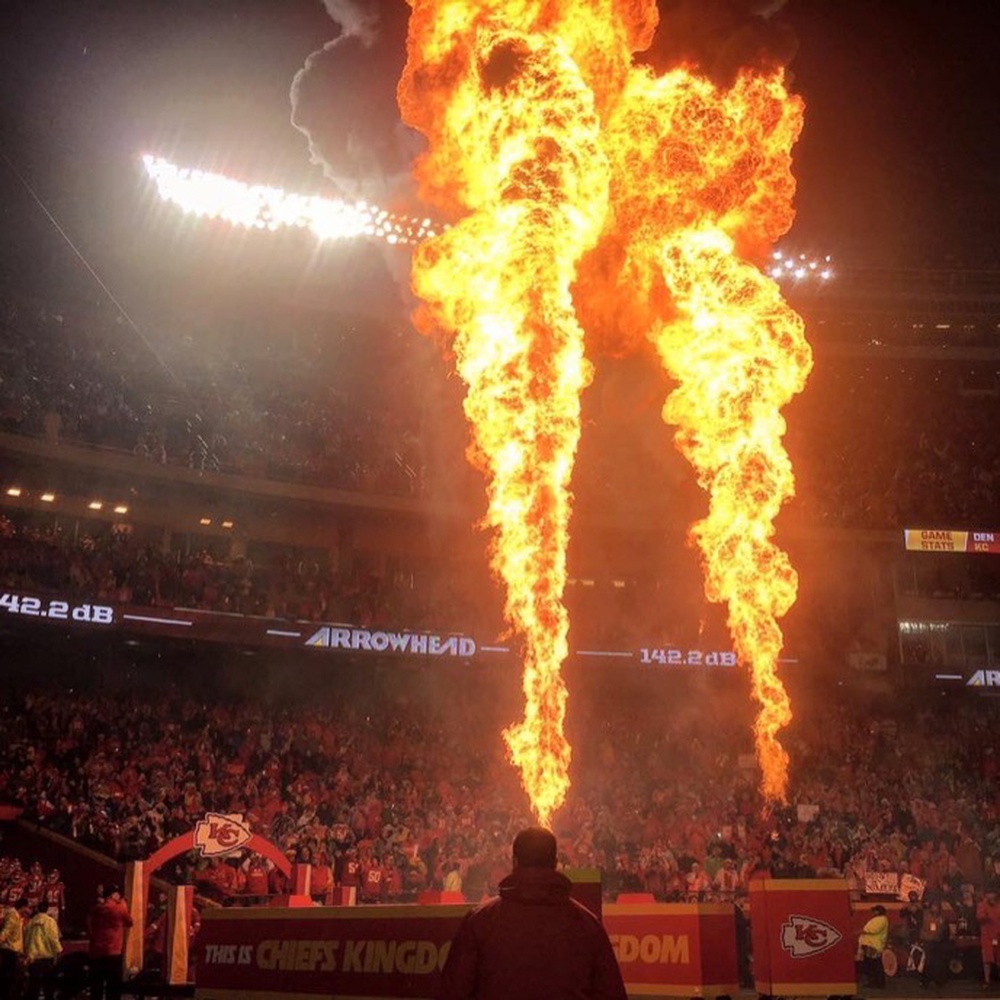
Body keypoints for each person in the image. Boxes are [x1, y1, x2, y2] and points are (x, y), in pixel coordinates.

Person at [437, 827, 626, 1000]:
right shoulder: (588, 925)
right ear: (555, 863)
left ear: (514, 862)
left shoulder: (480, 922)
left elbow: (453, 992)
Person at [87, 884, 133, 1000]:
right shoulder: (119, 908)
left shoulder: (96, 909)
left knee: (96, 986)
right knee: (113, 987)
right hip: (113, 952)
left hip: (96, 952)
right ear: (113, 895)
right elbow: (130, 922)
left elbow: (89, 924)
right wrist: (123, 904)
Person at [24, 903, 62, 1000]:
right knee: (48, 985)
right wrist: (58, 950)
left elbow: (26, 938)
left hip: (33, 957)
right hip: (47, 957)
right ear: (47, 909)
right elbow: (53, 938)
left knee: (33, 985)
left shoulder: (31, 922)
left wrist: (27, 953)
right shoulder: (50, 921)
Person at [856, 904, 889, 988]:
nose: (873, 912)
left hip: (874, 945)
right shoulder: (878, 919)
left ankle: (878, 983)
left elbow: (873, 930)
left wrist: (863, 930)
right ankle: (874, 982)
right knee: (871, 964)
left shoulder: (882, 919)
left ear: (878, 911)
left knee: (874, 964)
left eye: (874, 910)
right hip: (870, 944)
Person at [0, 897, 26, 1000]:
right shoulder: (12, 915)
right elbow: (6, 932)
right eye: (27, 908)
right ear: (23, 907)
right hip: (9, 950)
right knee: (8, 978)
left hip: (13, 950)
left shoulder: (17, 916)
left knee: (11, 978)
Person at [978, 888, 1000, 987]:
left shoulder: (999, 905)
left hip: (998, 935)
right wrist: (986, 917)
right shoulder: (982, 905)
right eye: (989, 894)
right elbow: (979, 919)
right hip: (987, 937)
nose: (991, 896)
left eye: (993, 893)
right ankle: (987, 980)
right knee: (987, 959)